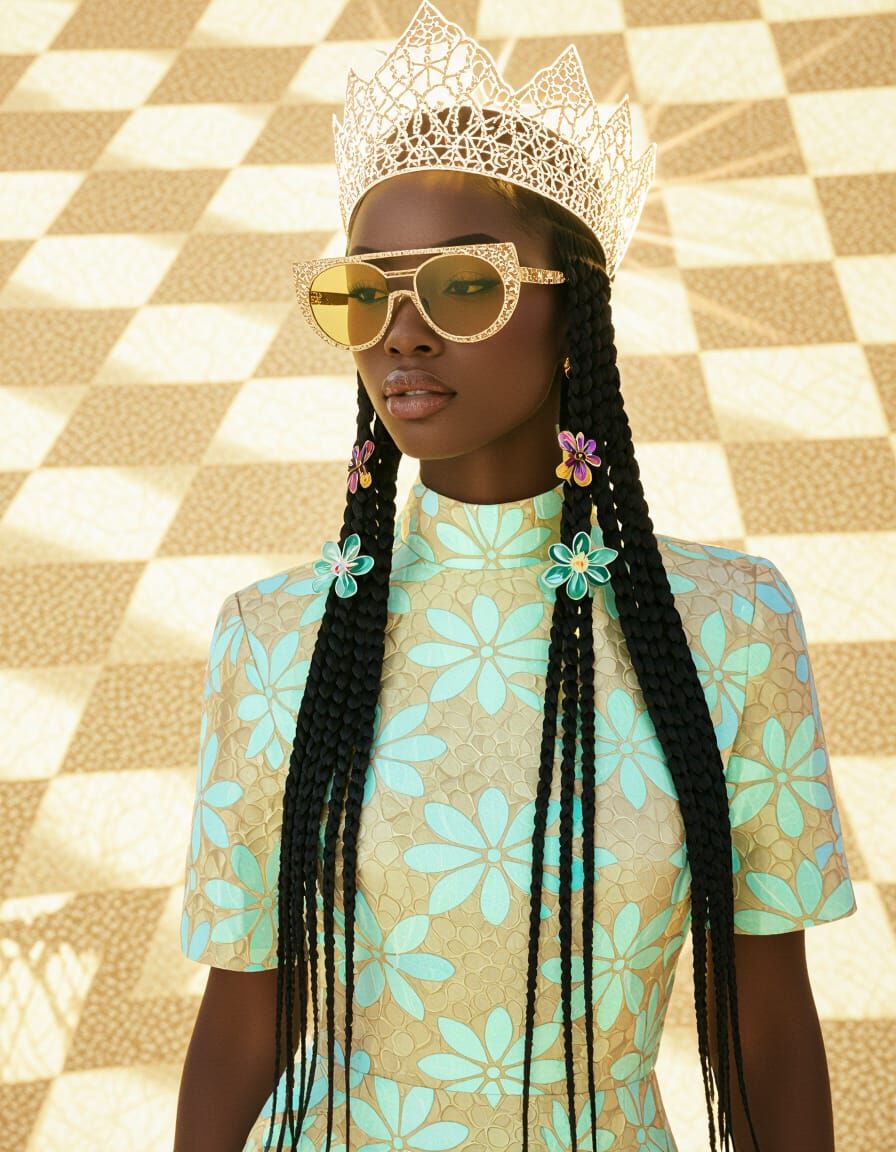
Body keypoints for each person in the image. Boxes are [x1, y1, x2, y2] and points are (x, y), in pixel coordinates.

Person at [173, 5, 858, 1152]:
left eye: (457, 287)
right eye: (362, 293)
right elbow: (245, 1017)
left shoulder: (731, 625)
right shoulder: (273, 637)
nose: (400, 333)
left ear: (568, 311)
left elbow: (767, 1026)